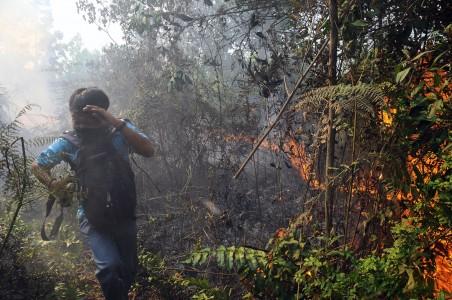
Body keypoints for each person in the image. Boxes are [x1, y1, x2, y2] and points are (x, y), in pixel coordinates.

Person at [31, 87, 154, 300]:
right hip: (91, 214)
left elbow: (148, 150)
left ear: (99, 113)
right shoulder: (70, 141)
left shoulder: (119, 131)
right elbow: (38, 165)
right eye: (74, 116)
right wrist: (55, 185)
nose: (77, 122)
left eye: (83, 116)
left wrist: (114, 121)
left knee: (128, 269)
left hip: (124, 211)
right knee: (109, 267)